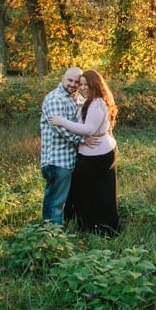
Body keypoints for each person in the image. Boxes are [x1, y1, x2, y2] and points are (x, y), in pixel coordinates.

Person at [49, 69, 120, 235]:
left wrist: (61, 121)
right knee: (100, 190)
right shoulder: (93, 101)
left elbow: (88, 128)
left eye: (86, 84)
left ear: (95, 84)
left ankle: (88, 224)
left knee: (77, 186)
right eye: (81, 84)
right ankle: (100, 224)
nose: (83, 87)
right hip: (102, 151)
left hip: (96, 156)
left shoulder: (96, 103)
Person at [40, 67, 99, 225]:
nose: (73, 84)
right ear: (62, 78)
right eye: (70, 80)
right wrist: (83, 140)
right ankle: (52, 237)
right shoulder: (55, 98)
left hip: (69, 160)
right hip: (57, 161)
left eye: (77, 82)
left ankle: (62, 227)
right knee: (55, 201)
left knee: (63, 199)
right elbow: (61, 130)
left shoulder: (76, 97)